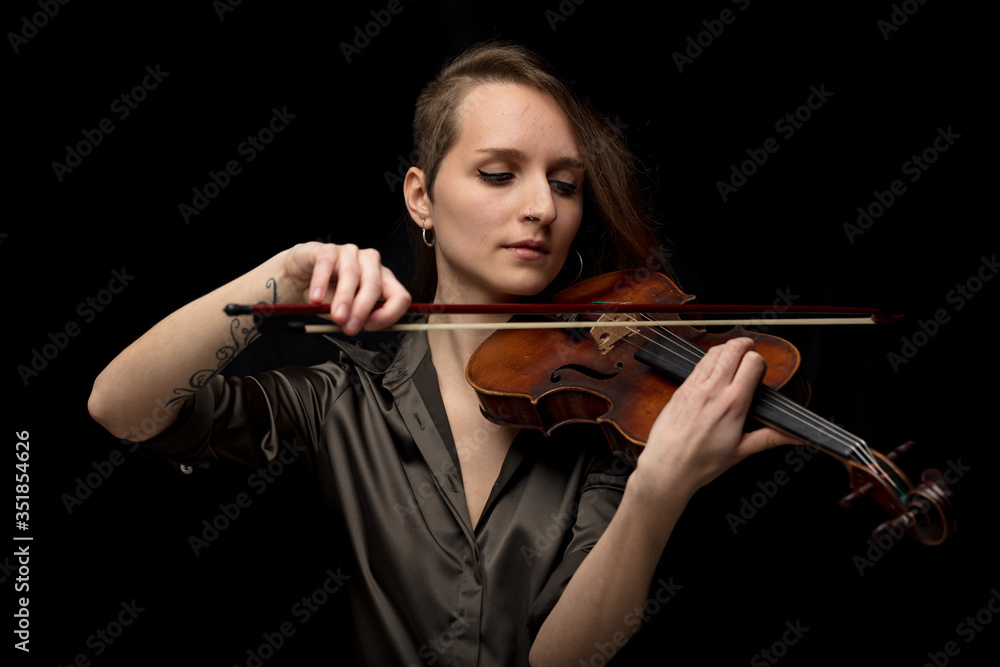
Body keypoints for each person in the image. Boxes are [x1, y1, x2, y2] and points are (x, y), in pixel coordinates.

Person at [88, 41, 797, 666]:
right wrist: (286, 273)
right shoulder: (344, 397)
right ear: (421, 198)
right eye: (498, 173)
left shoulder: (606, 419)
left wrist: (656, 490)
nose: (543, 209)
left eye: (564, 183)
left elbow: (561, 659)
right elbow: (122, 408)